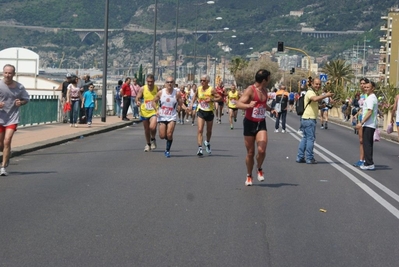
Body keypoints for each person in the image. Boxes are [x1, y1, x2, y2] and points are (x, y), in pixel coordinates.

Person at [235, 69, 277, 186]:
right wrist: (248, 105)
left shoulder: (265, 90)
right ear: (264, 79)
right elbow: (238, 104)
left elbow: (263, 105)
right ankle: (249, 175)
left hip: (260, 122)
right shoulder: (250, 90)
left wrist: (271, 109)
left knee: (262, 150)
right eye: (268, 78)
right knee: (250, 153)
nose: (269, 79)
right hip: (249, 123)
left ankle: (259, 168)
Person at [0, 64, 30, 176]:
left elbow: (26, 99)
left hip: (12, 117)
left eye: (10, 73)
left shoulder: (19, 87)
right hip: (0, 117)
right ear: (3, 73)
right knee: (1, 144)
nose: (7, 75)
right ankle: (6, 155)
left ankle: (3, 167)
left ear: (14, 74)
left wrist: (20, 102)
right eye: (5, 73)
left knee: (7, 141)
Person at [296, 78, 334, 164]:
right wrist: (326, 95)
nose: (318, 86)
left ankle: (300, 156)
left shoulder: (312, 92)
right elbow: (314, 99)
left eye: (319, 84)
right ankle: (309, 158)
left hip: (306, 118)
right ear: (312, 84)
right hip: (309, 119)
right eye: (316, 84)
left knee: (305, 138)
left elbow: (313, 105)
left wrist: (322, 106)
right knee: (310, 139)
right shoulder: (310, 92)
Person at [188, 75, 222, 156]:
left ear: (207, 81)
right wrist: (191, 104)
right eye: (201, 80)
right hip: (201, 111)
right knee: (200, 130)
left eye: (203, 80)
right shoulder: (199, 89)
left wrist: (212, 99)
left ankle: (207, 142)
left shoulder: (211, 90)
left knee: (209, 131)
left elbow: (220, 98)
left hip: (209, 111)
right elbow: (194, 97)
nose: (202, 82)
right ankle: (200, 148)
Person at [152, 76, 183, 157]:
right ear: (165, 84)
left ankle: (167, 150)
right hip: (162, 116)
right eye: (168, 82)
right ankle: (168, 139)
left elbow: (181, 104)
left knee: (169, 134)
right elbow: (153, 102)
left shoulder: (176, 93)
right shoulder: (161, 92)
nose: (169, 84)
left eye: (171, 82)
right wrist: (156, 110)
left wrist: (185, 109)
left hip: (172, 116)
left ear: (173, 83)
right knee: (162, 136)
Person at [356, 81, 378, 170]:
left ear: (373, 88)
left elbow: (370, 111)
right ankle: (368, 162)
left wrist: (361, 123)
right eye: (365, 87)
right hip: (369, 124)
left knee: (367, 144)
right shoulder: (370, 97)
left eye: (368, 87)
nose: (366, 89)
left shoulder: (371, 98)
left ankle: (369, 163)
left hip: (369, 124)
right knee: (367, 144)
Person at [136, 74, 159, 152]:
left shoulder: (157, 88)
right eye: (148, 82)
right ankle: (148, 144)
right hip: (144, 111)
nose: (149, 83)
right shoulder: (143, 88)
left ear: (154, 81)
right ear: (146, 81)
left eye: (151, 82)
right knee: (146, 129)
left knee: (152, 127)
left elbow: (162, 97)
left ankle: (153, 138)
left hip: (154, 111)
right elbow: (137, 97)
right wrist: (138, 101)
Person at [353, 78, 369, 166]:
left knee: (365, 141)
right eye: (361, 83)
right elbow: (362, 108)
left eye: (364, 83)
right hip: (360, 118)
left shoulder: (369, 95)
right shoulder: (362, 95)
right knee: (361, 140)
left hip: (366, 120)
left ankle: (366, 160)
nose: (362, 85)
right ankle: (361, 159)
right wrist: (356, 115)